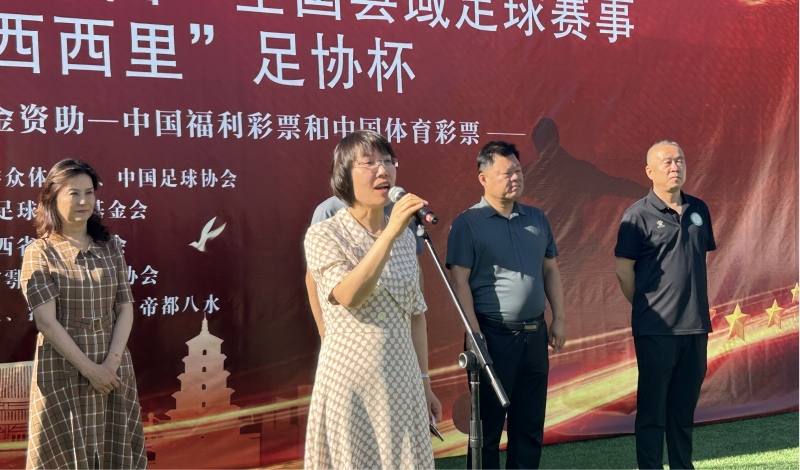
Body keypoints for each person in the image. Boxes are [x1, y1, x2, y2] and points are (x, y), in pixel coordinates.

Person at [303, 130, 442, 469]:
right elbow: (349, 295)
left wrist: (424, 381)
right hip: (350, 383)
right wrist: (390, 234)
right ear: (344, 176)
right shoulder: (325, 233)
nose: (383, 170)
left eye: (388, 161)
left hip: (403, 380)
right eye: (369, 163)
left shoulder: (406, 237)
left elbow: (415, 314)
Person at [447, 141, 567, 470]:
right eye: (507, 173)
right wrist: (474, 335)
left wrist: (559, 318)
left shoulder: (537, 218)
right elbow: (460, 283)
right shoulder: (467, 223)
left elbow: (550, 270)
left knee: (528, 426)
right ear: (483, 178)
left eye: (518, 171)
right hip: (492, 337)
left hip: (535, 335)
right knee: (486, 428)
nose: (515, 177)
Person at [20, 159, 146, 470]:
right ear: (52, 198)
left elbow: (125, 306)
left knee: (113, 450)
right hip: (63, 366)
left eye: (89, 193)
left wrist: (110, 363)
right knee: (63, 455)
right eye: (73, 193)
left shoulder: (110, 247)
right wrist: (90, 369)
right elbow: (46, 322)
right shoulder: (40, 252)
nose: (83, 201)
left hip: (111, 365)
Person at [615, 140, 716, 470]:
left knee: (683, 412)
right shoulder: (637, 215)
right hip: (656, 329)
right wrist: (648, 306)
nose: (675, 167)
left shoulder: (699, 209)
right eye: (667, 162)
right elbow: (623, 270)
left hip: (695, 326)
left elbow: (696, 259)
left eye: (680, 161)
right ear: (650, 171)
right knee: (653, 411)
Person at [306, 196, 424, 341]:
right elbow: (313, 278)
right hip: (352, 339)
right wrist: (324, 331)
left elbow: (415, 269)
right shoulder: (328, 210)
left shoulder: (400, 207)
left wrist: (417, 318)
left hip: (399, 336)